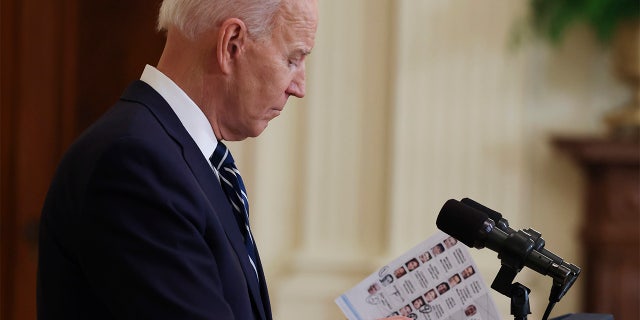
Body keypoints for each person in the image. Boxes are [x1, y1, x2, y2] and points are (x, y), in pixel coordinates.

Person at [36, 1, 410, 319]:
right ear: (231, 44)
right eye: (293, 59)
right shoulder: (135, 162)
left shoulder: (181, 156)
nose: (300, 87)